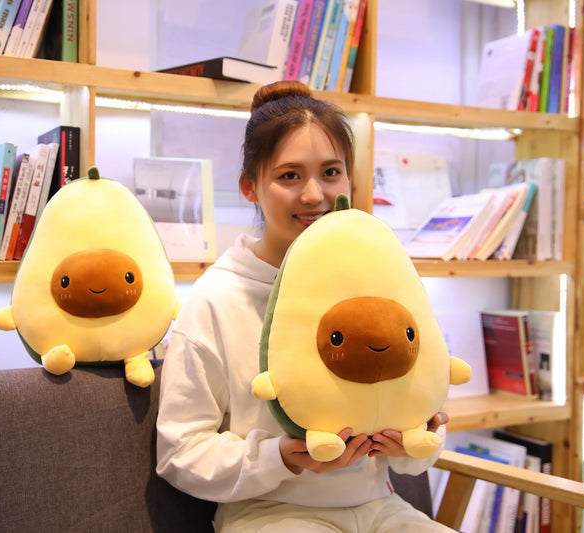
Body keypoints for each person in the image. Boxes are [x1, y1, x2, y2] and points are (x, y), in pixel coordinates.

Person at [155, 80, 453, 532]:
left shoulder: (375, 281)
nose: (314, 195)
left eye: (331, 172)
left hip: (381, 509)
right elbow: (180, 453)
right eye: (289, 176)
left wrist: (418, 439)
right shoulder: (216, 298)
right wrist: (280, 457)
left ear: (350, 181)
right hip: (271, 514)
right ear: (250, 186)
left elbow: (419, 413)